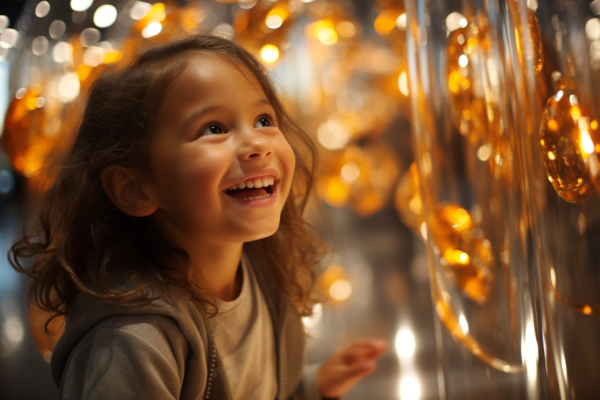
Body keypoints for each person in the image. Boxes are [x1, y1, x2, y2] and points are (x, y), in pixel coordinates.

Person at [10, 34, 387, 399]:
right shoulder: (132, 343)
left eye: (264, 120)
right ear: (134, 188)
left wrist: (312, 387)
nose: (257, 144)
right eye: (214, 128)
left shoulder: (265, 274)